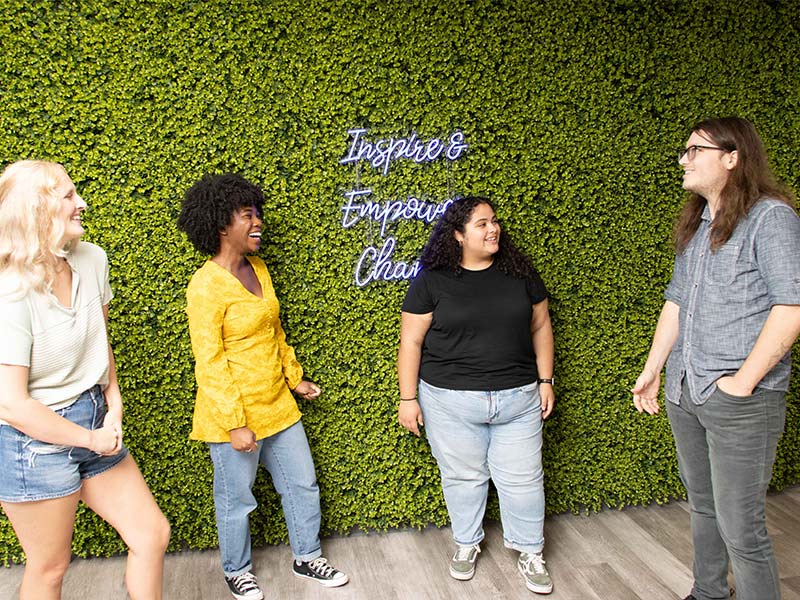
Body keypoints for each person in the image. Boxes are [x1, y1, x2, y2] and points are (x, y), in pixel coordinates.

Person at [632, 117, 800, 600]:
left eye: (694, 151)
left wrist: (743, 382)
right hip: (686, 389)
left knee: (742, 528)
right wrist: (653, 370)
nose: (684, 160)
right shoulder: (699, 223)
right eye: (684, 152)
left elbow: (791, 304)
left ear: (732, 157)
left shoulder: (772, 219)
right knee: (703, 506)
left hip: (740, 399)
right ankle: (707, 593)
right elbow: (677, 301)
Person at [0, 160, 170, 600]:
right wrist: (90, 439)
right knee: (51, 568)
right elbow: (12, 405)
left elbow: (100, 337)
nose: (82, 203)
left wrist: (113, 403)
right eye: (69, 196)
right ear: (37, 210)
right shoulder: (10, 291)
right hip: (31, 441)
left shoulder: (93, 259)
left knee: (151, 534)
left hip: (92, 414)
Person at [177, 173, 348, 600]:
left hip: (277, 404)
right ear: (221, 224)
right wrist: (235, 423)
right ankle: (237, 571)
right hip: (234, 415)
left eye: (258, 214)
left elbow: (274, 333)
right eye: (246, 215)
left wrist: (296, 379)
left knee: (302, 484)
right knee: (237, 499)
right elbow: (210, 361)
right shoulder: (205, 286)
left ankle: (307, 556)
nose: (258, 223)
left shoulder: (258, 267)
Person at [397, 196, 555, 595]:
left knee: (524, 480)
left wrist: (546, 380)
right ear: (458, 234)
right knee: (463, 478)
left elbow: (541, 327)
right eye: (482, 224)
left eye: (494, 222)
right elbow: (411, 341)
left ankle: (530, 551)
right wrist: (407, 398)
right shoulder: (431, 280)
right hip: (450, 402)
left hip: (518, 400)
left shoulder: (520, 273)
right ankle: (467, 545)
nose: (493, 229)